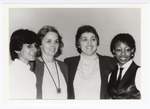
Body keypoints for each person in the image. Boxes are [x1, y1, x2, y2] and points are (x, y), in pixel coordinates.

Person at [64, 25, 117, 99]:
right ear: (78, 44)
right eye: (84, 39)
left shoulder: (110, 62)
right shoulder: (68, 63)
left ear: (97, 42)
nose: (89, 43)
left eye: (93, 39)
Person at [31, 25, 68, 99]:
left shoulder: (64, 66)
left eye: (56, 41)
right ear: (40, 44)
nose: (53, 45)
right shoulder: (32, 65)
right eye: (49, 41)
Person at [107, 33, 141, 99]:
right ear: (113, 51)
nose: (123, 53)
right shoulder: (110, 74)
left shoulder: (139, 72)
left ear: (132, 50)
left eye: (127, 49)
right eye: (119, 50)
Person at [9, 29, 40, 99]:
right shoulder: (11, 73)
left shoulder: (31, 75)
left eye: (35, 45)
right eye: (29, 46)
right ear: (17, 49)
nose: (35, 50)